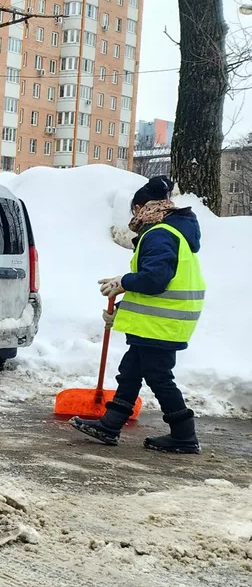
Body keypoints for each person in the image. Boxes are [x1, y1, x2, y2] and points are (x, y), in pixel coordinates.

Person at [71, 175, 205, 454]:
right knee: (131, 371)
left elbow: (155, 280)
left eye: (135, 209)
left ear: (143, 207)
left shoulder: (160, 234)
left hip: (162, 325)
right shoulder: (173, 231)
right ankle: (110, 425)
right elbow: (156, 288)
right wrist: (121, 310)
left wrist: (124, 281)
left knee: (158, 376)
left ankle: (184, 433)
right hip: (160, 322)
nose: (135, 216)